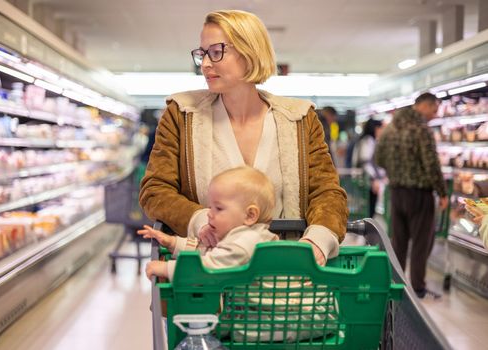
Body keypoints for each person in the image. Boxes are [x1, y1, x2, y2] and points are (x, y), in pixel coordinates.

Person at [139, 10, 348, 266]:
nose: (205, 64)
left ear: (250, 52)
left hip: (283, 274)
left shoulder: (299, 119)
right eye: (202, 54)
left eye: (216, 52)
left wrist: (317, 240)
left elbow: (326, 192)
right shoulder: (182, 115)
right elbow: (155, 190)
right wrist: (202, 220)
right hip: (204, 276)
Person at [138, 166, 278, 280]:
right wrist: (173, 243)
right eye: (210, 207)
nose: (209, 213)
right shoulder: (241, 236)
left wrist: (166, 269)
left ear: (250, 215)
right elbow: (210, 252)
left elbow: (208, 268)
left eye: (218, 208)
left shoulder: (243, 243)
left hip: (269, 314)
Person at [375, 92, 448, 298]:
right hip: (420, 194)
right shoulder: (421, 130)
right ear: (424, 105)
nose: (434, 115)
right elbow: (431, 164)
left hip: (396, 192)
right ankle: (418, 288)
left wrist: (396, 171)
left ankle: (395, 284)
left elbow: (379, 158)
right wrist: (442, 192)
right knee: (421, 242)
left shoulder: (390, 128)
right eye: (434, 110)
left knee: (399, 240)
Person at [351, 118, 385, 218]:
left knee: (366, 210)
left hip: (365, 181)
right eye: (380, 128)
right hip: (368, 182)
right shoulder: (368, 141)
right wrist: (374, 179)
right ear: (375, 128)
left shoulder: (365, 140)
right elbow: (365, 162)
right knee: (369, 211)